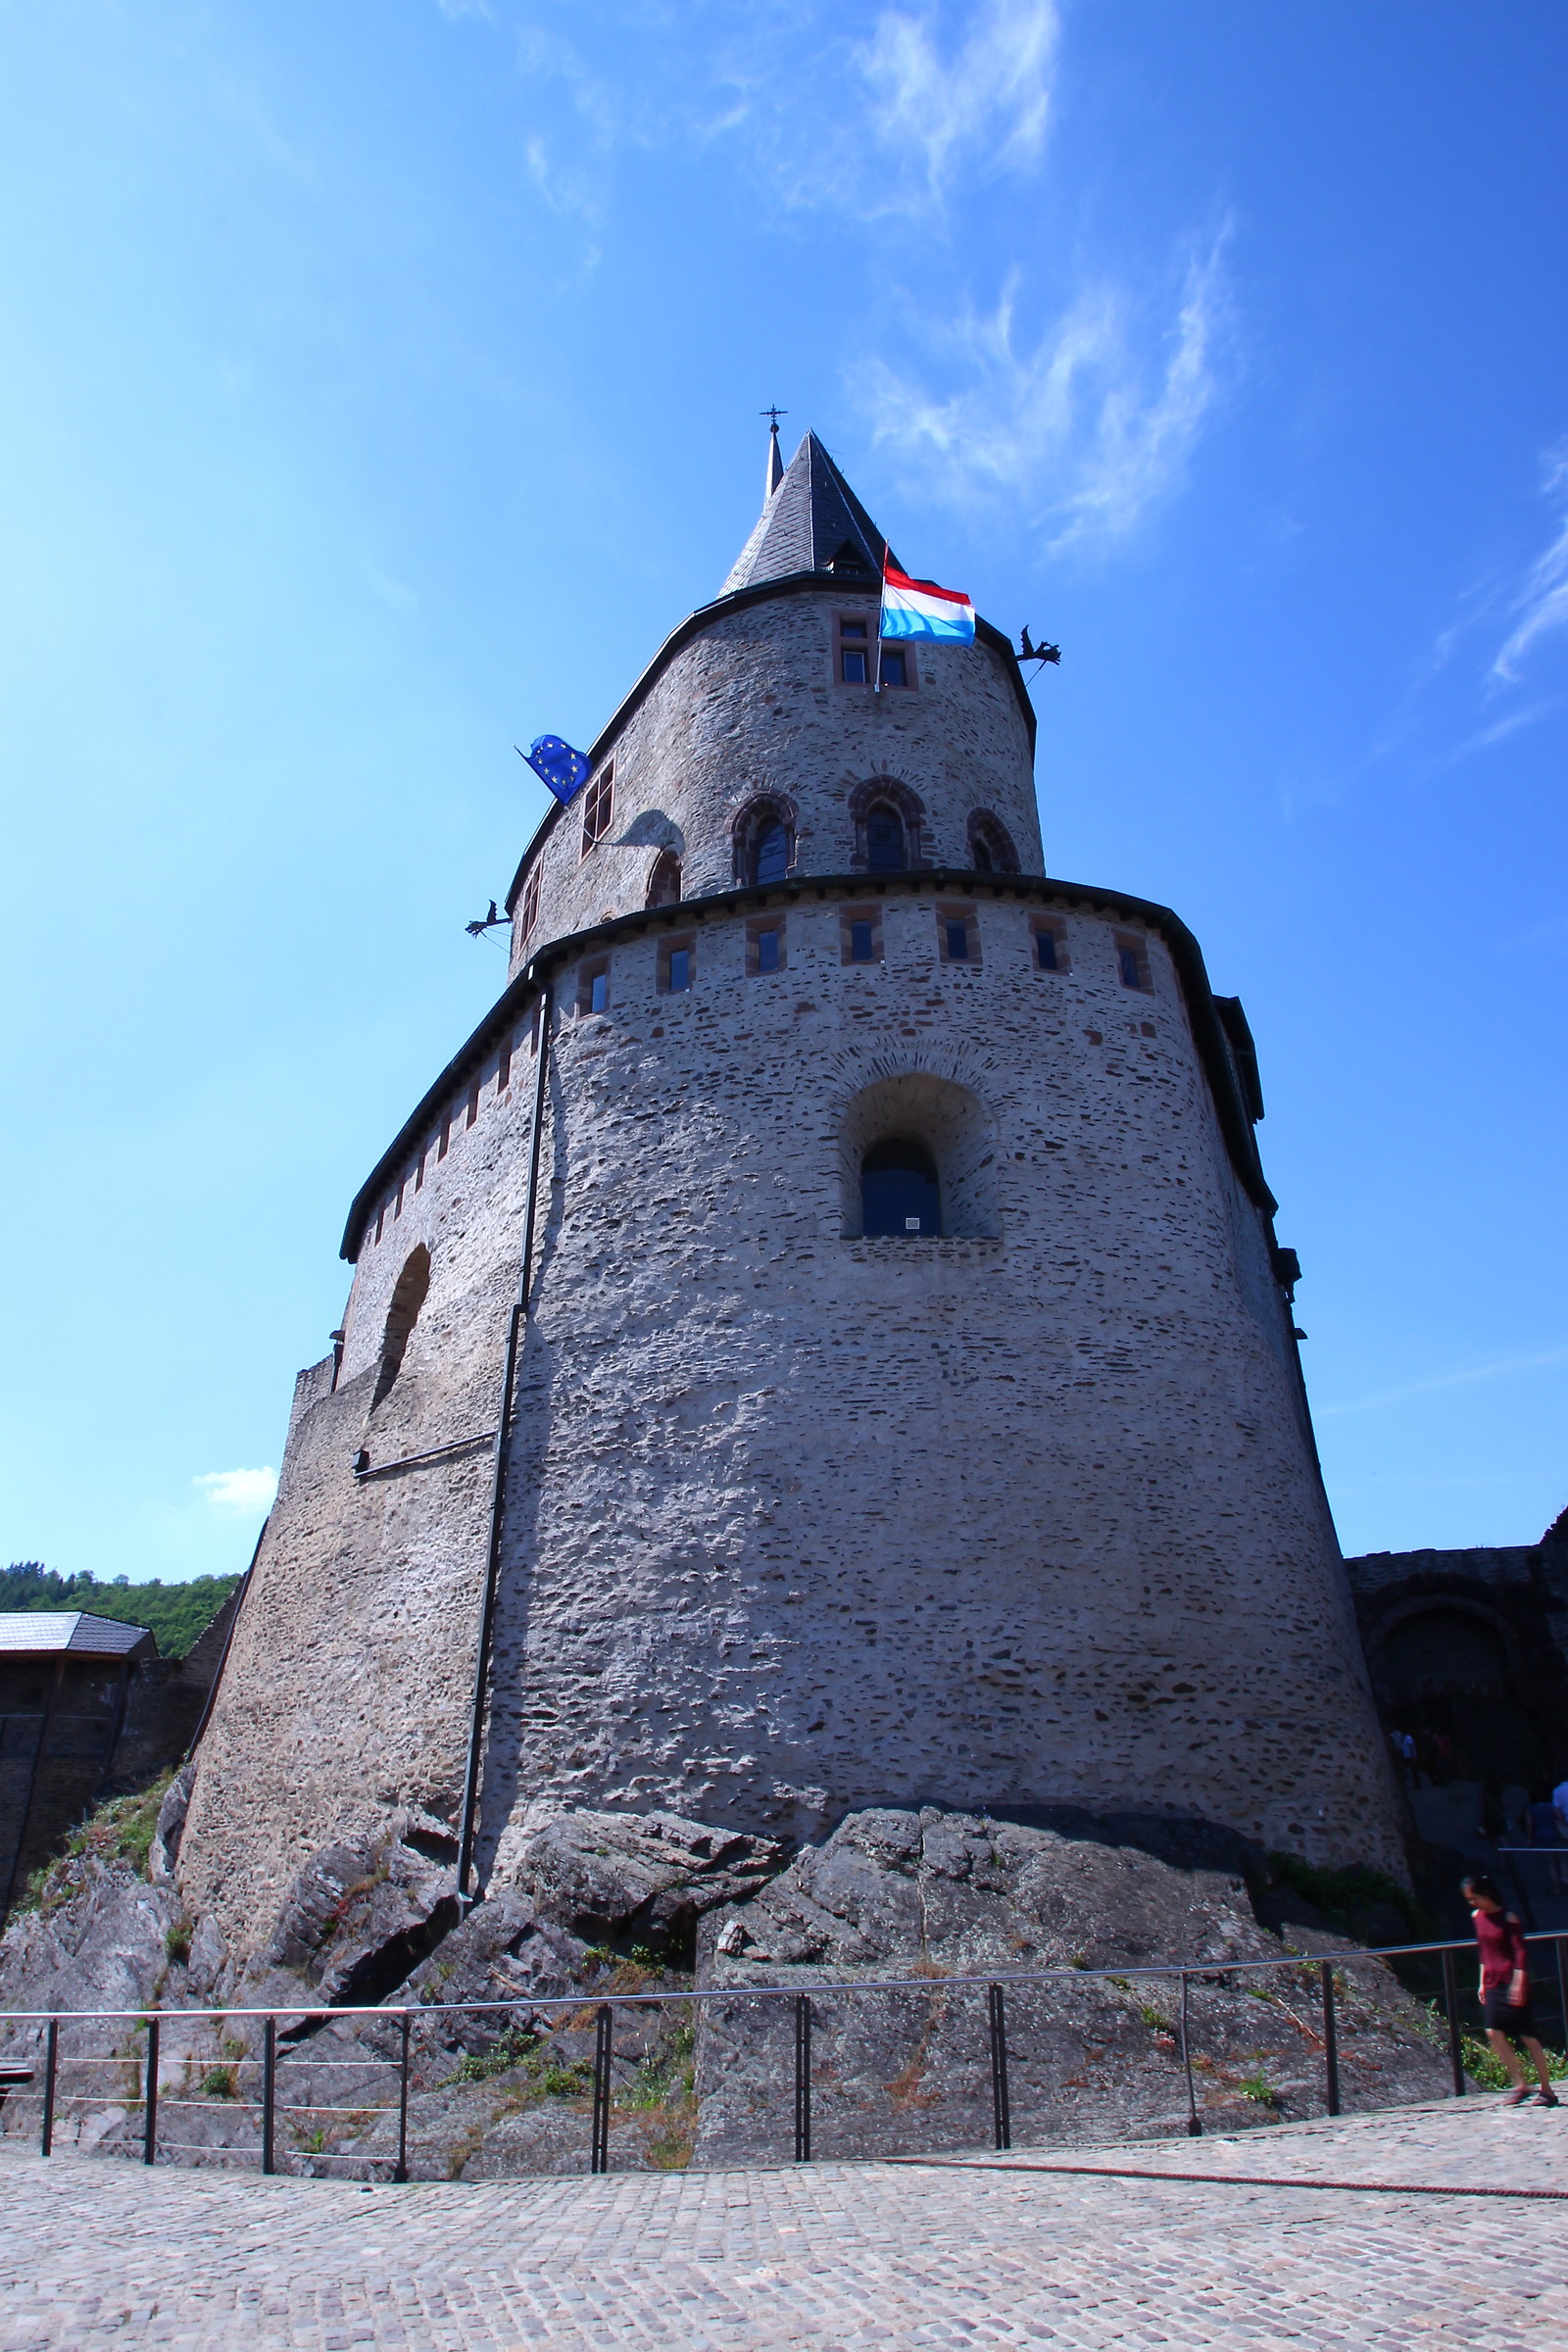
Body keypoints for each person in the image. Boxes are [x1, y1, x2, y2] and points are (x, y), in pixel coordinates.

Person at [1461, 1874, 1559, 2107]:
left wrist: (1518, 1984)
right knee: (1493, 2032)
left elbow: (1520, 1953)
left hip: (1512, 1980)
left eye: (1473, 1898)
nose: (1471, 1903)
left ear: (1486, 1894)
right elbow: (1484, 1952)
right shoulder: (1477, 1917)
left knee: (1528, 2035)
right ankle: (1520, 2084)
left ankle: (1547, 2089)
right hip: (1493, 1981)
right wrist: (1481, 1982)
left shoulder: (1508, 1918)